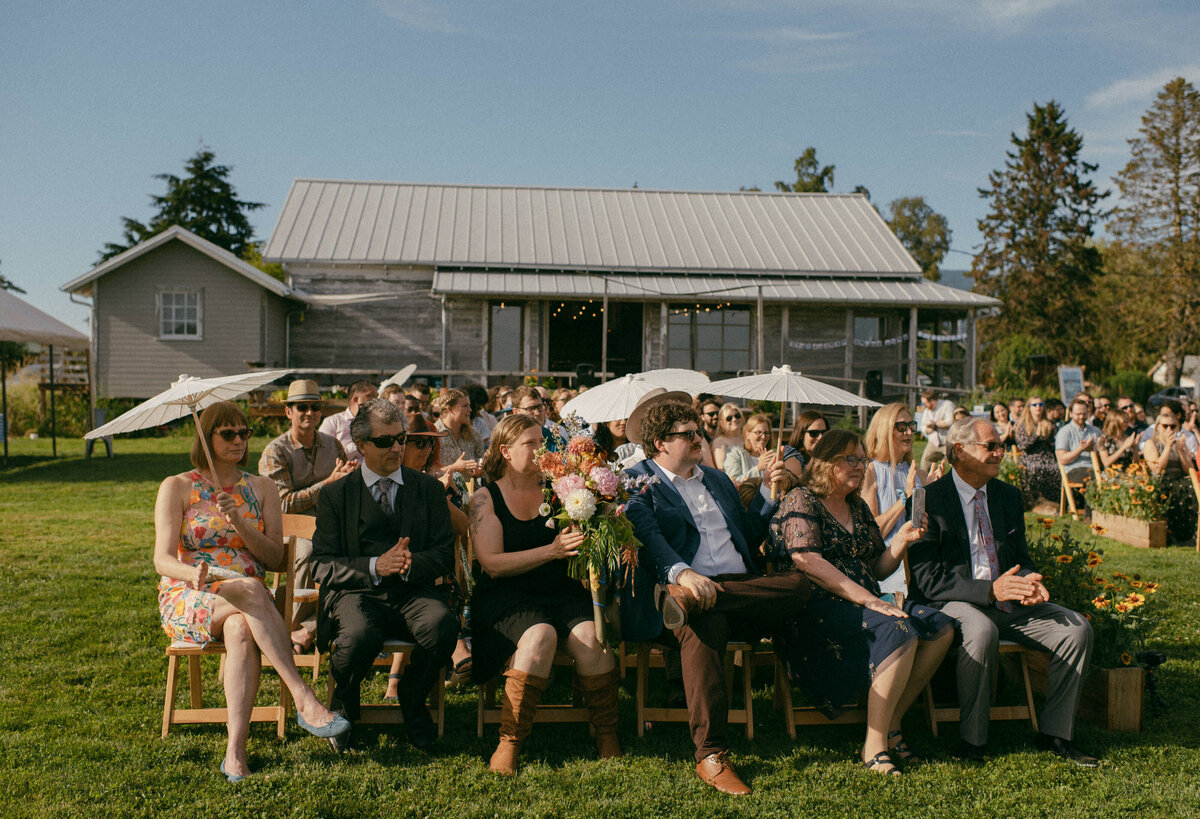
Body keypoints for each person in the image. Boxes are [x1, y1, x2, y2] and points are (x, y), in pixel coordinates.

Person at [621, 396, 810, 795]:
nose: (697, 439)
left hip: (739, 591)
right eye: (687, 435)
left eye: (697, 433)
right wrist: (685, 576)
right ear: (659, 443)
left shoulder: (718, 480)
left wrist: (768, 496)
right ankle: (711, 754)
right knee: (706, 621)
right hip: (675, 593)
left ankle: (702, 600)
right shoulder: (637, 481)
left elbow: (749, 537)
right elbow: (649, 540)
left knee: (800, 584)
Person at [155, 401, 350, 782]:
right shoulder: (177, 486)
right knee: (248, 589)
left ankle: (235, 754)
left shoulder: (260, 488)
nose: (239, 440)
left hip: (247, 603)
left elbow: (277, 559)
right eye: (228, 434)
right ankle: (303, 697)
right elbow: (162, 560)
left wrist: (240, 522)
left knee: (242, 625)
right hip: (191, 596)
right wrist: (191, 572)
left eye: (244, 433)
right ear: (206, 438)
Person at [908, 417, 1097, 767]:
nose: (1000, 453)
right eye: (991, 446)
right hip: (954, 601)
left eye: (1001, 446)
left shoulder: (1008, 496)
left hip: (1009, 601)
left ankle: (1055, 733)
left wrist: (1029, 581)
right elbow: (927, 580)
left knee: (1076, 629)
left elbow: (1020, 558)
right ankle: (973, 742)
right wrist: (990, 591)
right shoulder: (928, 500)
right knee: (981, 630)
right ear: (960, 451)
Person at [771, 429, 953, 775]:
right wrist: (870, 600)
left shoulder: (856, 505)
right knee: (901, 628)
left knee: (940, 627)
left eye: (862, 459)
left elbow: (877, 568)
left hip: (867, 601)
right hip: (817, 608)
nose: (860, 466)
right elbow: (808, 561)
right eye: (850, 459)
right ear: (826, 463)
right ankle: (874, 744)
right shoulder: (801, 500)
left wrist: (901, 539)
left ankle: (891, 721)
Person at [467, 414, 622, 775]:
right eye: (530, 444)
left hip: (559, 589)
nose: (541, 451)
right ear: (505, 451)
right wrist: (551, 551)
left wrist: (601, 523)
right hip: (505, 595)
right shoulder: (485, 499)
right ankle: (510, 742)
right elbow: (491, 564)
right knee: (540, 636)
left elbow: (581, 540)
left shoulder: (561, 488)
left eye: (543, 442)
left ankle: (606, 734)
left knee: (592, 637)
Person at [311, 399, 458, 752]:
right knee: (357, 637)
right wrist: (375, 566)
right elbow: (320, 565)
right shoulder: (335, 495)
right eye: (385, 441)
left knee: (443, 626)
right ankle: (345, 701)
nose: (397, 448)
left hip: (414, 592)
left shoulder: (429, 490)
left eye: (401, 439)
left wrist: (409, 563)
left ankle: (413, 695)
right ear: (360, 445)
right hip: (356, 594)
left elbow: (443, 554)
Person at [258, 379, 357, 652]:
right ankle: (291, 628)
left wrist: (346, 481)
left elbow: (342, 492)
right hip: (286, 531)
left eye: (315, 407)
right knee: (309, 549)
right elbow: (283, 504)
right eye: (302, 407)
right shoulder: (275, 451)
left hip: (329, 525)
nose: (309, 413)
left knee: (363, 551)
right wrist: (327, 485)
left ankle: (307, 629)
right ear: (288, 412)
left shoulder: (333, 445)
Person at [382, 413, 474, 700]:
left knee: (435, 573)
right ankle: (454, 649)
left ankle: (398, 679)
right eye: (417, 442)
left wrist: (437, 497)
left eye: (429, 443)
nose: (425, 449)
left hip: (438, 571)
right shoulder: (383, 483)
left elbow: (464, 528)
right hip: (393, 572)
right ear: (398, 444)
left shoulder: (438, 482)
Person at [861, 403, 937, 600]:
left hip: (921, 564)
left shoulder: (917, 472)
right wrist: (905, 499)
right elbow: (871, 532)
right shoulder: (870, 471)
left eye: (911, 425)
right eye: (901, 427)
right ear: (884, 430)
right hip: (887, 569)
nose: (909, 432)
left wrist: (934, 491)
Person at [1141, 404, 1199, 544]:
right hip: (1161, 481)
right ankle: (1176, 535)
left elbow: (1189, 470)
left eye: (1172, 426)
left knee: (1193, 488)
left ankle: (1192, 535)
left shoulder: (1179, 443)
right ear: (1158, 427)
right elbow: (1158, 469)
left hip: (1181, 479)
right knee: (1176, 491)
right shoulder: (1151, 444)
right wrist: (1167, 447)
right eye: (1165, 426)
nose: (1169, 430)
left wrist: (1181, 451)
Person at [431, 388, 486, 486]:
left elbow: (483, 469)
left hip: (471, 496)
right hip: (443, 496)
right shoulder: (433, 435)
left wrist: (480, 471)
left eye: (469, 405)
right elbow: (426, 474)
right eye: (465, 406)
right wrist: (454, 467)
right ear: (450, 409)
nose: (470, 409)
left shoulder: (474, 435)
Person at [1013, 396, 1060, 508]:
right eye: (1034, 405)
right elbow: (1022, 445)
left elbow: (1055, 444)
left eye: (1040, 404)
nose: (1038, 407)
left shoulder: (1050, 424)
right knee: (1035, 468)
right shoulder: (1023, 424)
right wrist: (1036, 436)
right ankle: (1033, 501)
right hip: (1030, 457)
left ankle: (1054, 501)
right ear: (1029, 408)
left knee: (1055, 469)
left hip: (1048, 456)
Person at [319, 380, 379, 462]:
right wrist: (358, 446)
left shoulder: (379, 422)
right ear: (355, 399)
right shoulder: (332, 422)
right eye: (370, 396)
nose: (376, 401)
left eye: (377, 396)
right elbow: (324, 455)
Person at [1055, 397, 1101, 486]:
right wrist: (1081, 449)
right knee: (1092, 482)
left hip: (1095, 469)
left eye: (1084, 414)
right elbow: (1062, 459)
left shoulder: (1095, 431)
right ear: (1071, 414)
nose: (1081, 417)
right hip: (1075, 470)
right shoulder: (1064, 432)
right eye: (1078, 414)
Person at [722, 412, 777, 484]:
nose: (763, 437)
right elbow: (733, 482)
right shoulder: (734, 453)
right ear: (747, 434)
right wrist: (758, 469)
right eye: (758, 432)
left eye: (766, 433)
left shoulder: (772, 457)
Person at [918, 390, 956, 471]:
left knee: (956, 464)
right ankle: (925, 482)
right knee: (925, 462)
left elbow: (950, 422)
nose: (924, 406)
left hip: (949, 442)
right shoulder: (927, 411)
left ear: (932, 400)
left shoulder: (947, 405)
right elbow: (923, 426)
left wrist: (935, 424)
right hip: (934, 442)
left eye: (925, 403)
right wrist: (928, 430)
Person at [709, 403, 744, 472]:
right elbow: (722, 469)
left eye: (737, 416)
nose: (734, 419)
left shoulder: (746, 437)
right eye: (729, 418)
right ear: (722, 423)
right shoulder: (719, 443)